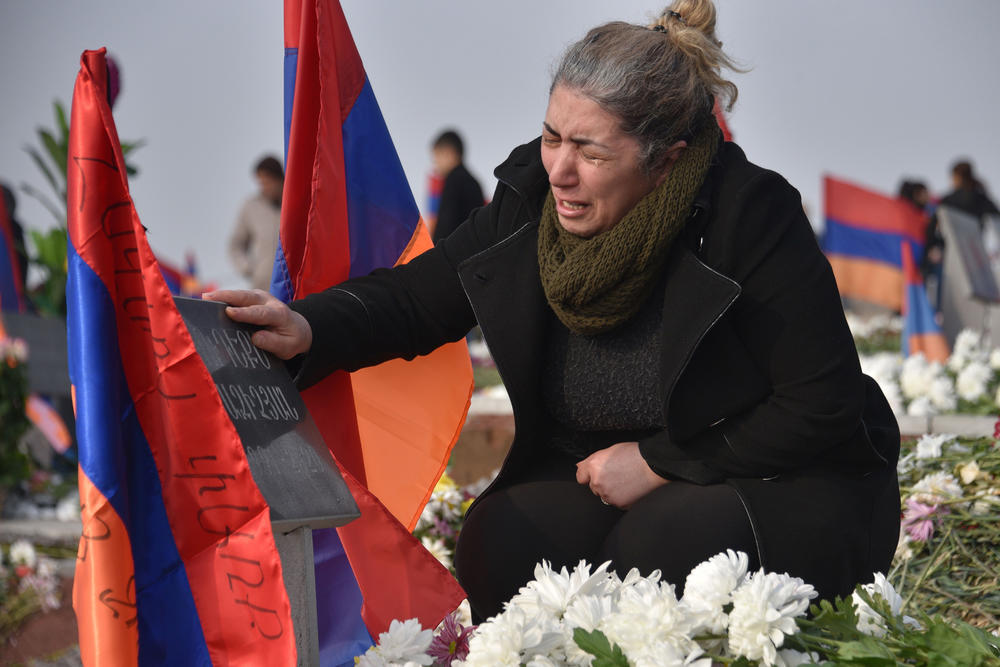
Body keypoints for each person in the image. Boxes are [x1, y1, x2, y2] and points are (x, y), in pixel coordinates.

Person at [207, 0, 900, 621]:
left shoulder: (751, 216)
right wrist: (309, 326)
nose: (560, 169)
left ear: (665, 161)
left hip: (779, 475)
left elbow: (820, 404)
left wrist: (661, 461)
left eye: (590, 150)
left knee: (659, 550)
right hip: (604, 472)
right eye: (552, 136)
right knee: (500, 543)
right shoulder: (532, 197)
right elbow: (422, 295)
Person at [228, 156, 283, 291]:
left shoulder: (295, 205)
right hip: (262, 289)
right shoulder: (251, 207)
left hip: (292, 288)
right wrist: (248, 268)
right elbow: (235, 245)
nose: (264, 188)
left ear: (280, 180)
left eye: (268, 182)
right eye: (261, 183)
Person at [429, 129, 484, 244]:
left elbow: (445, 225)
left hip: (455, 255)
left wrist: (434, 254)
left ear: (449, 153)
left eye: (437, 158)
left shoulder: (453, 181)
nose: (435, 164)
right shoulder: (474, 182)